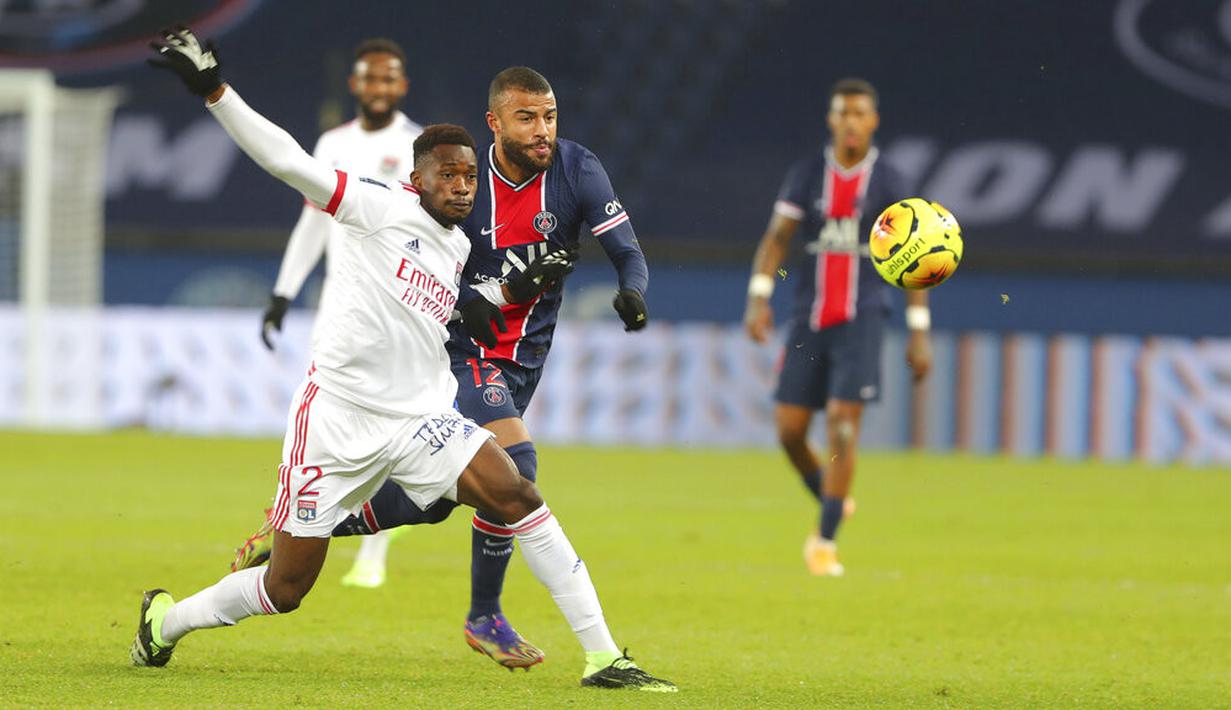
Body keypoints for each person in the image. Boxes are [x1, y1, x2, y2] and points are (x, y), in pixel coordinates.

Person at [135, 27, 675, 693]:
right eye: (445, 176)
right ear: (414, 179)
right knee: (286, 588)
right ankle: (166, 622)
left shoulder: (457, 249)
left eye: (468, 176)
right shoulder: (374, 206)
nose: (460, 187)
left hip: (419, 417)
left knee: (516, 490)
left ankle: (602, 659)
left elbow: (469, 306)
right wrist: (215, 91)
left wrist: (521, 283)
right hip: (336, 419)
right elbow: (286, 161)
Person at [743, 78, 932, 577]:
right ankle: (833, 500)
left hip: (862, 318)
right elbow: (777, 238)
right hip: (809, 318)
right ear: (832, 120)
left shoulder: (890, 182)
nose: (851, 122)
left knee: (844, 427)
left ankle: (824, 540)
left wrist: (919, 329)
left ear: (873, 121)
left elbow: (918, 260)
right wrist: (759, 299)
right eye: (843, 113)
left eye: (860, 114)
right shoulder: (808, 176)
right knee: (789, 432)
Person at [258, 37, 423, 590]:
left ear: (401, 86)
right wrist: (284, 291)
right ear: (356, 85)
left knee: (393, 424)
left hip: (399, 313)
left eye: (388, 79)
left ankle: (372, 554)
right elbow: (314, 222)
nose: (378, 88)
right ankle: (299, 522)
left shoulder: (419, 146)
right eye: (369, 79)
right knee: (331, 422)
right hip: (339, 310)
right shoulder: (331, 143)